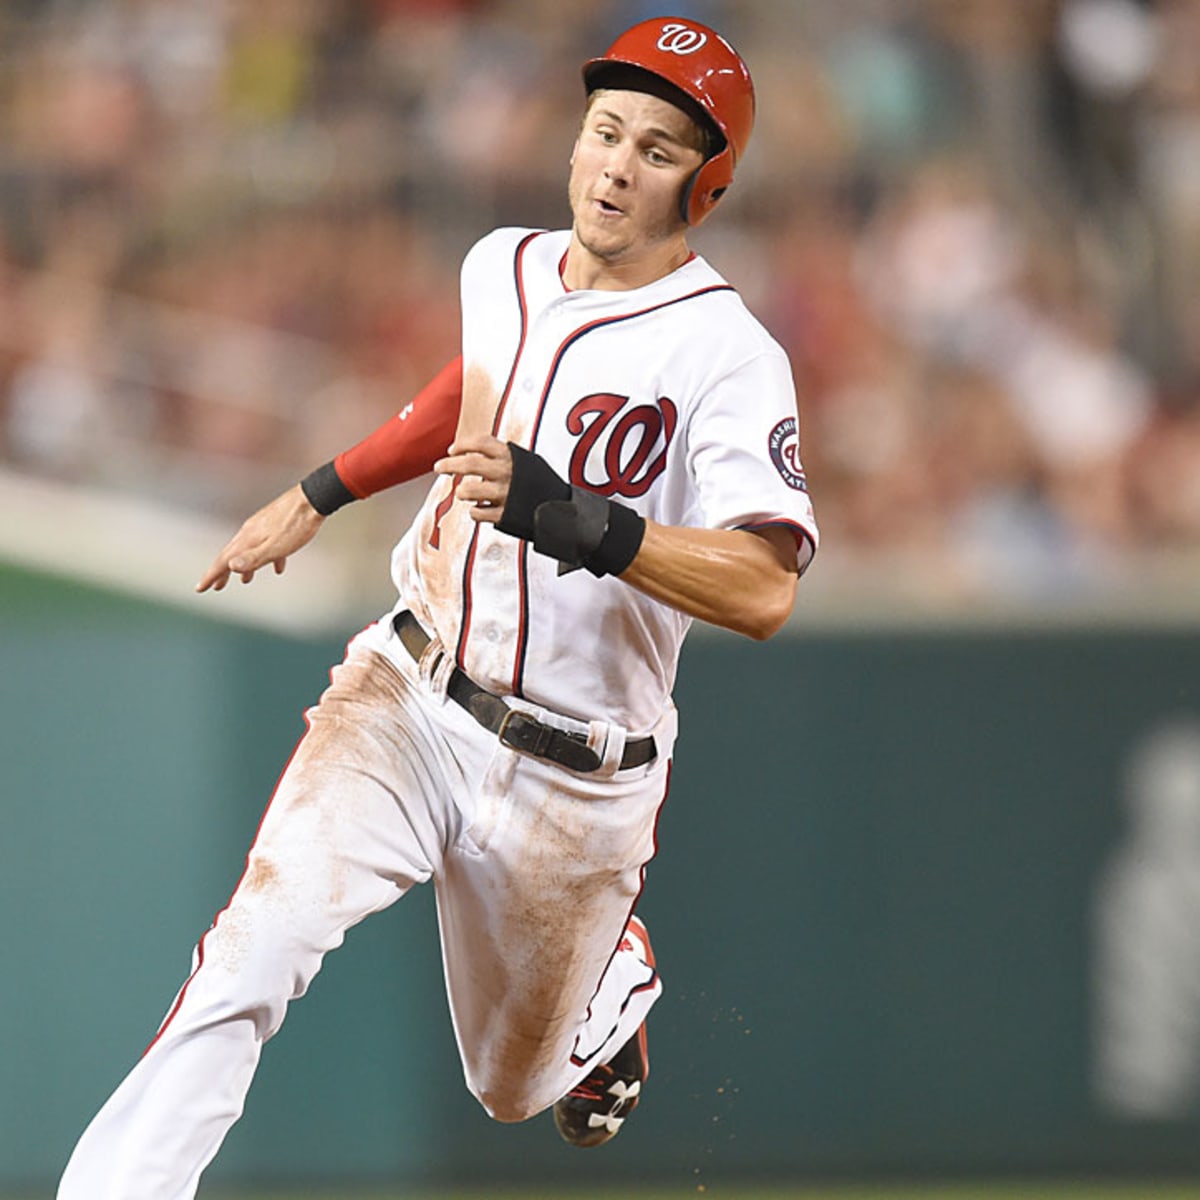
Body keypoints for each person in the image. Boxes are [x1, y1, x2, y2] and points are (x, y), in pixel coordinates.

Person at [58, 15, 818, 1196]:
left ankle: (607, 974)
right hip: (411, 689)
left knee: (510, 1089)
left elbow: (766, 587)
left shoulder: (727, 354)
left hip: (579, 772)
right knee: (252, 950)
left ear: (704, 185)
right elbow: (477, 379)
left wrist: (588, 523)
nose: (618, 164)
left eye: (659, 149)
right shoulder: (500, 266)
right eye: (606, 130)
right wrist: (321, 491)